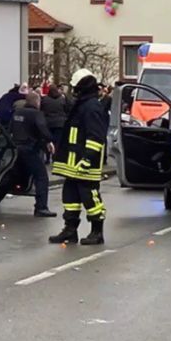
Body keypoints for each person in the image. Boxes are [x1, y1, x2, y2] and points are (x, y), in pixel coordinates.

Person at [48, 69, 108, 245]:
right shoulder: (82, 105)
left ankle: (97, 232)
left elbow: (96, 136)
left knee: (90, 197)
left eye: (75, 87)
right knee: (70, 196)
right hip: (73, 163)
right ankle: (70, 230)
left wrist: (88, 159)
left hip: (85, 163)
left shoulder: (92, 107)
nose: (73, 91)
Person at [10, 92, 57, 218]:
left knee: (10, 175)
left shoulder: (18, 112)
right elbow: (42, 128)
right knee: (41, 177)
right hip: (30, 149)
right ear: (37, 102)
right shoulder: (36, 114)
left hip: (16, 149)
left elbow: (10, 128)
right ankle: (41, 207)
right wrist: (49, 141)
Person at [40, 84, 70, 163]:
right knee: (58, 141)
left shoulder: (45, 99)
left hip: (48, 123)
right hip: (60, 123)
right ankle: (55, 157)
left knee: (48, 141)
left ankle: (47, 157)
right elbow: (66, 109)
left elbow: (41, 110)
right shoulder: (62, 99)